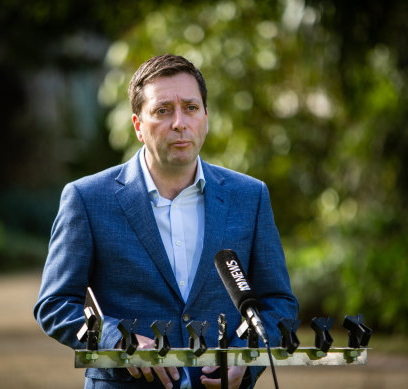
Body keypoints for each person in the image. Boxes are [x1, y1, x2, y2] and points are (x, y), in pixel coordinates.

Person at [34, 54, 299, 389]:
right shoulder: (86, 199)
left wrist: (248, 357)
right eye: (162, 110)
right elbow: (55, 304)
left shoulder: (250, 196)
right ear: (138, 126)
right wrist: (119, 340)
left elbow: (279, 302)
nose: (179, 122)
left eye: (190, 107)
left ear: (206, 117)